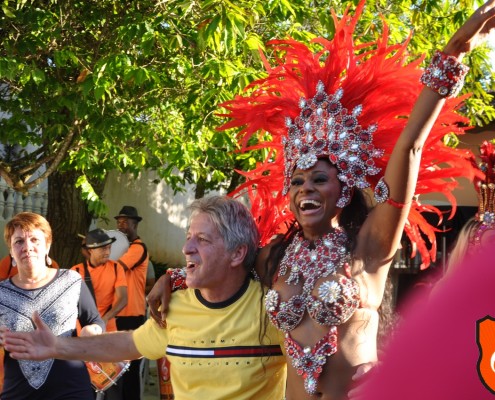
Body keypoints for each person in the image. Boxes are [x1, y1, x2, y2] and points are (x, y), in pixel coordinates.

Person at [147, 1, 495, 398]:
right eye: (296, 181)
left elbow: (409, 147)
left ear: (344, 188)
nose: (304, 188)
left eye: (318, 179)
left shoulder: (369, 245)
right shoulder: (273, 256)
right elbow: (226, 266)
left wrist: (453, 52)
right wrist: (174, 278)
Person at [1, 196, 287, 400]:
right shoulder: (176, 306)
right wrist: (57, 345)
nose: (186, 248)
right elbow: (130, 343)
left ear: (238, 253)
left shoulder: (275, 308)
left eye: (203, 240)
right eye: (189, 236)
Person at [0, 212, 105, 400]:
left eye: (34, 240)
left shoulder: (71, 281)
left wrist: (92, 331)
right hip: (19, 391)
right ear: (11, 251)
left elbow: (94, 320)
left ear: (47, 245)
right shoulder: (1, 292)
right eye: (19, 242)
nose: (27, 247)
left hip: (71, 388)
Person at [113, 206, 149, 400]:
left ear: (135, 224)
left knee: (130, 369)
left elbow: (116, 266)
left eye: (125, 222)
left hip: (131, 315)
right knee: (117, 368)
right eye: (119, 222)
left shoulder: (138, 248)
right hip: (120, 313)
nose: (121, 226)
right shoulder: (123, 247)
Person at [71, 229, 128, 334]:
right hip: (83, 328)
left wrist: (105, 319)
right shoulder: (76, 271)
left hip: (108, 326)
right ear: (90, 250)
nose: (107, 252)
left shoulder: (116, 267)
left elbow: (123, 299)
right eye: (103, 249)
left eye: (109, 248)